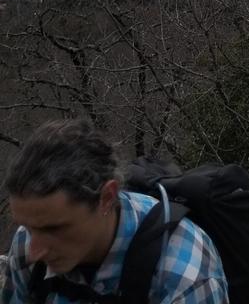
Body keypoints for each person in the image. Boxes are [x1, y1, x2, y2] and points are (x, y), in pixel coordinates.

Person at [1, 120, 228, 304]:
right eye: (28, 227)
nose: (33, 252)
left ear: (107, 198)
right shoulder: (28, 239)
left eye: (54, 229)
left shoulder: (183, 278)